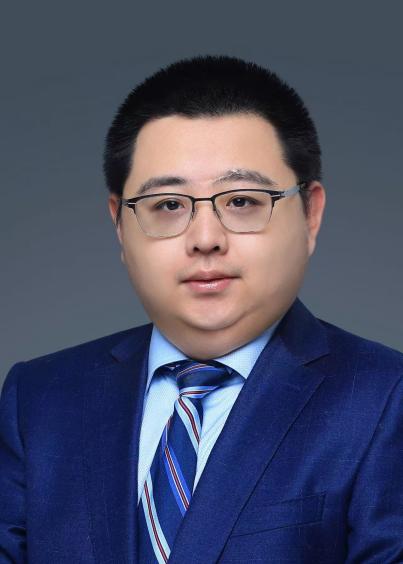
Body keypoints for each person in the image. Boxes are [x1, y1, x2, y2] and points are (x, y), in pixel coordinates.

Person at [0, 55, 402, 564]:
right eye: (168, 205)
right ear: (120, 224)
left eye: (242, 201)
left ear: (311, 213)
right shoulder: (38, 400)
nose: (205, 238)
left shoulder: (386, 397)